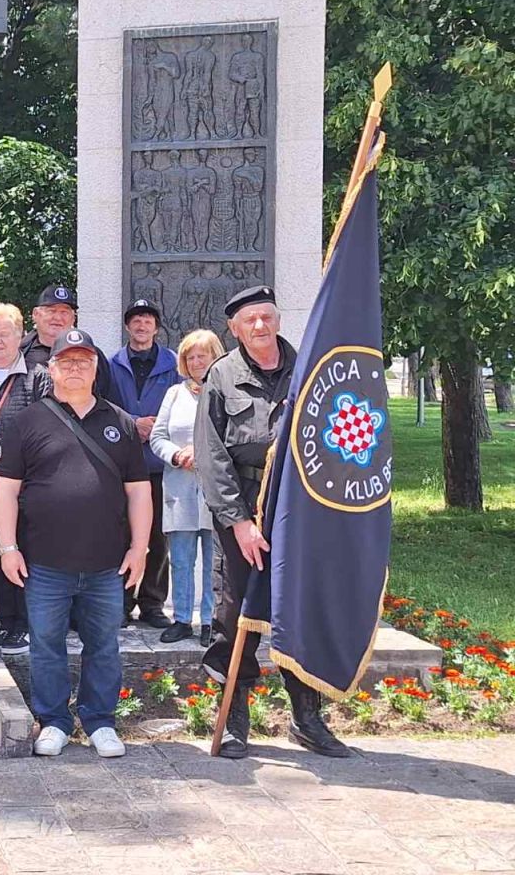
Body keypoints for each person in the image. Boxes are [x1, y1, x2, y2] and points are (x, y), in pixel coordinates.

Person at [195, 285, 351, 759]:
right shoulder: (221, 375)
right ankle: (236, 718)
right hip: (241, 505)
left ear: (278, 319)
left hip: (296, 509)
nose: (260, 326)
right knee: (236, 612)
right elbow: (211, 454)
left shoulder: (309, 371)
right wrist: (239, 521)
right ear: (234, 329)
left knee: (298, 607)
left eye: (267, 317)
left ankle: (307, 718)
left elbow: (329, 437)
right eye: (250, 320)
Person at [0, 328, 149, 758]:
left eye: (84, 360)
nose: (75, 367)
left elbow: (139, 491)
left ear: (96, 367)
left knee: (104, 645)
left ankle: (100, 721)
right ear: (52, 368)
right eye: (67, 361)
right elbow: (5, 489)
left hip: (106, 563)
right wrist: (8, 547)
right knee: (46, 644)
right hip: (44, 562)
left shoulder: (120, 422)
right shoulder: (28, 421)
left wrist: (140, 549)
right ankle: (55, 722)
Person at [0, 303, 52, 656]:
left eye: (6, 333)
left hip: (23, 483)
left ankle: (27, 624)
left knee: (22, 551)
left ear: (20, 336)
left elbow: (48, 426)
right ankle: (7, 620)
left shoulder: (37, 375)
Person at [150, 329, 225, 646]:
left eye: (202, 355)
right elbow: (157, 437)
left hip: (215, 490)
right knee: (180, 559)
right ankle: (182, 619)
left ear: (214, 356)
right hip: (180, 489)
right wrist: (177, 455)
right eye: (190, 357)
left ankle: (210, 622)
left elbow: (234, 436)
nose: (196, 362)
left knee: (213, 561)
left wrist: (204, 454)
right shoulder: (174, 394)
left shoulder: (226, 391)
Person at [108, 298, 179, 629]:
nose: (141, 325)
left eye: (148, 319)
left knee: (157, 538)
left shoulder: (173, 365)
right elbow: (103, 405)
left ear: (156, 326)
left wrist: (158, 428)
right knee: (122, 535)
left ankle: (152, 603)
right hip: (122, 466)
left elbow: (183, 407)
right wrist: (133, 423)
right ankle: (121, 602)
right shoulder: (111, 365)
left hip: (161, 466)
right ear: (127, 326)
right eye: (135, 320)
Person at [20, 284, 117, 403]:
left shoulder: (91, 354)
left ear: (73, 318)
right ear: (35, 314)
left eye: (64, 312)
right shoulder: (20, 353)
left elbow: (107, 400)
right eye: (52, 311)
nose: (58, 317)